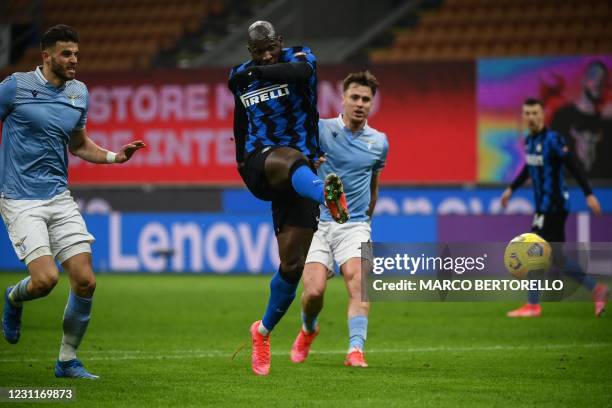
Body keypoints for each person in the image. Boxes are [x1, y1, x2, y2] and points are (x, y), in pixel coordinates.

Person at [0, 25, 146, 379]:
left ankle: (67, 361)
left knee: (85, 281)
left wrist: (115, 157)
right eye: (66, 54)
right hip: (21, 199)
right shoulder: (15, 87)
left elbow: (79, 144)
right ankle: (14, 299)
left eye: (77, 54)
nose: (74, 60)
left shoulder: (79, 93)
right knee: (46, 280)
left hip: (59, 196)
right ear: (46, 56)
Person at [227, 21, 349, 376]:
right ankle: (327, 197)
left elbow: (298, 72)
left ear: (279, 42)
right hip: (260, 162)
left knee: (292, 264)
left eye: (270, 47)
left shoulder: (301, 57)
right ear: (248, 51)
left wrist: (256, 71)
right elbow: (239, 114)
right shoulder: (240, 73)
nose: (265, 55)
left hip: (301, 174)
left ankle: (261, 331)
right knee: (286, 156)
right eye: (257, 51)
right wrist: (238, 159)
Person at [289, 71, 388, 368]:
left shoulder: (379, 142)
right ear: (342, 98)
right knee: (313, 293)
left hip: (355, 225)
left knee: (358, 282)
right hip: (319, 225)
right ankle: (308, 328)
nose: (360, 104)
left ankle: (355, 350)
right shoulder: (319, 131)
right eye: (354, 97)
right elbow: (299, 168)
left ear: (372, 103)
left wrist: (365, 224)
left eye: (366, 99)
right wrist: (309, 160)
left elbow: (373, 187)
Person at [501, 98, 608, 318]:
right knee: (557, 257)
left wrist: (588, 194)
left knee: (533, 249)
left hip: (555, 207)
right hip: (543, 207)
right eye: (527, 113)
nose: (530, 117)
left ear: (542, 115)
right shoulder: (530, 140)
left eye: (534, 113)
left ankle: (533, 305)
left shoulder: (553, 140)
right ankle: (596, 289)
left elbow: (573, 165)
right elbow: (528, 169)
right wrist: (511, 189)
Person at [550, 60, 611, 179]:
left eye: (603, 81)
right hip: (570, 190)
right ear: (583, 80)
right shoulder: (563, 117)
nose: (598, 83)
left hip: (602, 192)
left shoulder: (607, 122)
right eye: (593, 77)